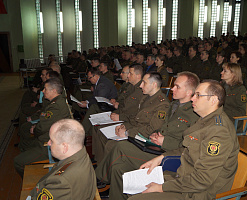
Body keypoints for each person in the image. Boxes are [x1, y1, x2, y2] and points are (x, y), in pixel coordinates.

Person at [95, 71, 200, 200]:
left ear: (189, 92)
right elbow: (162, 127)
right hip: (155, 146)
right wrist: (157, 135)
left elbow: (188, 147)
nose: (172, 88)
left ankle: (98, 178)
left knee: (121, 146)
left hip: (167, 156)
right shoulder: (175, 105)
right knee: (118, 167)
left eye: (177, 86)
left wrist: (164, 141)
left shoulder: (193, 114)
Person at [128, 80, 239, 200]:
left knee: (136, 198)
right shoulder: (205, 120)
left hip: (198, 193)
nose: (192, 99)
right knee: (133, 184)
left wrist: (162, 188)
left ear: (213, 100)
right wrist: (162, 157)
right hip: (185, 179)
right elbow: (188, 149)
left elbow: (203, 180)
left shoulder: (219, 132)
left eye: (198, 95)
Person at [93, 72, 170, 164]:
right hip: (135, 129)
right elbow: (136, 118)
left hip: (143, 137)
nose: (141, 85)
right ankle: (102, 164)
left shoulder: (162, 104)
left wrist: (127, 133)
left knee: (111, 144)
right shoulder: (146, 98)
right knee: (105, 135)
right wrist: (124, 126)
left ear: (154, 85)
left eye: (144, 83)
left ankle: (106, 171)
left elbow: (152, 129)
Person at [14, 78, 72, 177]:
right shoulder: (56, 102)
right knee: (24, 146)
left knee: (18, 161)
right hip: (48, 137)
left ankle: (33, 181)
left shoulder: (55, 106)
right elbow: (46, 122)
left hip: (49, 145)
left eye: (45, 89)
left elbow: (42, 128)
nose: (42, 91)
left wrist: (34, 129)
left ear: (54, 91)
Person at [29, 119, 96, 200]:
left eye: (52, 141)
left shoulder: (62, 182)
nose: (49, 143)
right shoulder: (81, 153)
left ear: (64, 147)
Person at [221, 62, 246, 132]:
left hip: (232, 122)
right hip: (221, 119)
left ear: (233, 74)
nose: (221, 73)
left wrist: (222, 112)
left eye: (225, 71)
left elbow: (242, 112)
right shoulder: (222, 87)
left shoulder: (240, 90)